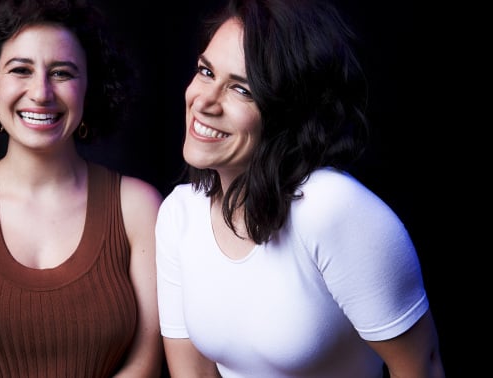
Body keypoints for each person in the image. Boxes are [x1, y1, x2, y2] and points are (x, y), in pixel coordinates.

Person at [155, 0, 445, 377]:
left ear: (285, 111)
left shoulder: (331, 209)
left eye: (242, 90)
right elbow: (191, 373)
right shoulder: (180, 214)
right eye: (206, 71)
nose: (204, 102)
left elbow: (421, 366)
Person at [0, 0, 164, 376]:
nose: (41, 92)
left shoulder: (139, 207)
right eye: (21, 70)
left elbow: (145, 362)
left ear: (90, 87)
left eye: (62, 73)